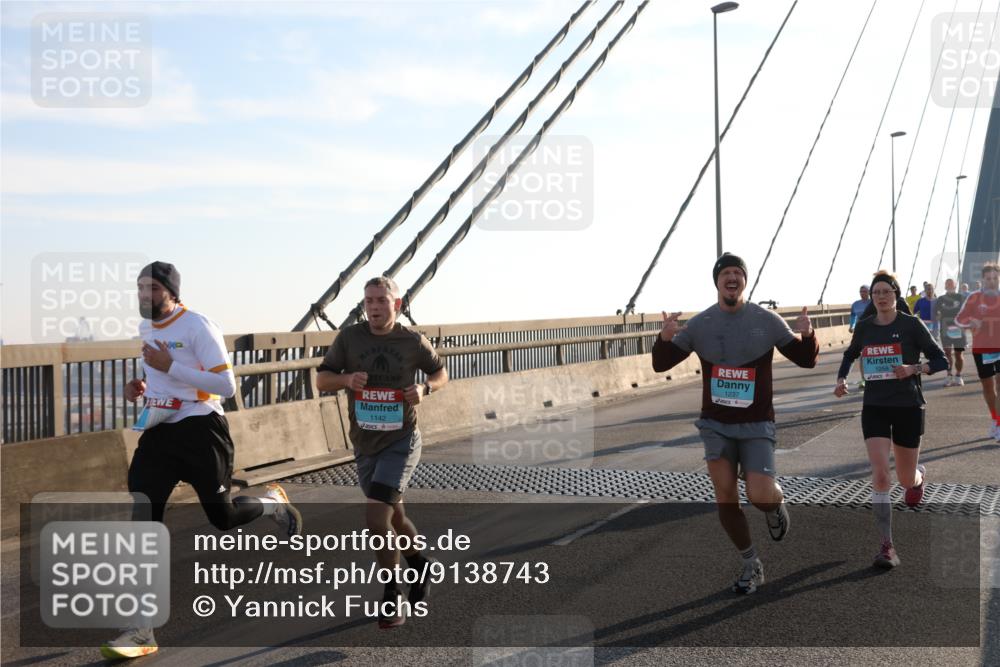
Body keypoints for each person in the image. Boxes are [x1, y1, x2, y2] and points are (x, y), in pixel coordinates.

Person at [102, 262, 301, 660]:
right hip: (158, 432)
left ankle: (271, 503)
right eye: (140, 287)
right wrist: (140, 387)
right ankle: (141, 629)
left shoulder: (197, 326)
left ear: (172, 292)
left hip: (201, 431)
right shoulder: (146, 329)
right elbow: (160, 379)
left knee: (222, 517)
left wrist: (168, 366)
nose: (145, 295)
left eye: (153, 288)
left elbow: (225, 385)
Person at [652, 253, 818, 595]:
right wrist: (665, 338)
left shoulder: (767, 320)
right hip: (715, 424)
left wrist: (808, 335)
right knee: (725, 497)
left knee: (759, 494)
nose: (731, 277)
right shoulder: (700, 324)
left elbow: (806, 360)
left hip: (757, 423)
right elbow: (661, 364)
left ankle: (775, 504)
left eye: (737, 273)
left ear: (745, 280)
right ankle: (751, 564)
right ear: (716, 281)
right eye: (725, 273)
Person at [316, 276, 449, 628]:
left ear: (397, 304)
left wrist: (425, 388)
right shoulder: (349, 338)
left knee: (376, 518)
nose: (374, 307)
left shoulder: (411, 341)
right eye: (369, 301)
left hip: (401, 441)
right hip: (364, 443)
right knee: (393, 517)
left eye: (381, 301)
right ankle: (420, 564)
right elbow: (322, 379)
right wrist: (345, 380)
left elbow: (440, 373)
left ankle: (393, 594)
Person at [833, 271, 947, 569]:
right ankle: (887, 546)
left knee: (905, 479)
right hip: (875, 406)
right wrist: (841, 379)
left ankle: (918, 477)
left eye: (886, 291)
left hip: (908, 406)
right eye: (876, 293)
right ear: (871, 298)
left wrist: (913, 368)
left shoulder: (911, 325)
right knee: (881, 474)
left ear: (895, 295)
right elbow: (849, 355)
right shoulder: (866, 327)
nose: (881, 297)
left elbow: (940, 360)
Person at [954, 262, 1000, 441]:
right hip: (982, 349)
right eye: (988, 279)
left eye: (995, 278)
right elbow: (959, 319)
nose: (992, 282)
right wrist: (970, 321)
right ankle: (995, 420)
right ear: (982, 280)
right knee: (988, 388)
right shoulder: (973, 297)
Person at [935, 278, 967, 386]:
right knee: (947, 353)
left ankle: (958, 375)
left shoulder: (961, 297)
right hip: (945, 329)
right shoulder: (940, 299)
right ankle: (949, 375)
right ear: (945, 286)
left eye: (951, 284)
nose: (949, 285)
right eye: (947, 284)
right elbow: (936, 313)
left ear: (954, 285)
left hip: (958, 330)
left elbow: (966, 312)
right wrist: (937, 316)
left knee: (958, 354)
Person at [849, 285, 871, 388]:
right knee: (863, 356)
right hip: (860, 332)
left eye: (865, 291)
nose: (863, 293)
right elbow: (853, 316)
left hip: (873, 331)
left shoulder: (874, 303)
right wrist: (852, 326)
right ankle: (864, 379)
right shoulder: (855, 304)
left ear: (869, 292)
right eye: (861, 291)